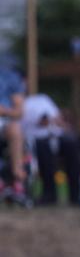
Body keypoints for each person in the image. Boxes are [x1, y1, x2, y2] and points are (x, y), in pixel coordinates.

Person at [23, 93, 80, 208]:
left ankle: (76, 194)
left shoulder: (44, 99)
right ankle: (49, 193)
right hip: (35, 140)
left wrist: (60, 123)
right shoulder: (21, 104)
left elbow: (56, 118)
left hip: (56, 136)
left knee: (71, 143)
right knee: (43, 147)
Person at [0, 60, 26, 202]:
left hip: (5, 119)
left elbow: (19, 111)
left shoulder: (10, 77)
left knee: (15, 129)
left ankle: (17, 173)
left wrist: (4, 111)